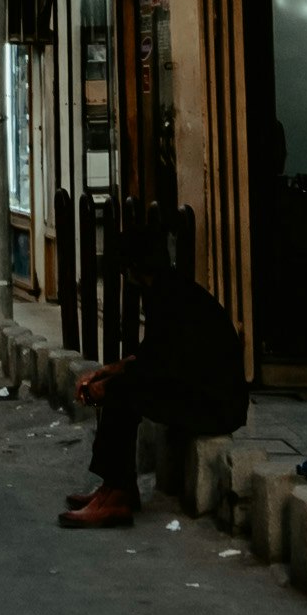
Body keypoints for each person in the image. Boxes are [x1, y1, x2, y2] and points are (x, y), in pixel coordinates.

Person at [58, 215, 247, 528]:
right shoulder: (167, 290)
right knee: (121, 388)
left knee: (123, 394)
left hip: (216, 405)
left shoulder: (170, 296)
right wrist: (105, 373)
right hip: (205, 392)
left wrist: (109, 385)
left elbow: (159, 367)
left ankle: (116, 495)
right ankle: (117, 487)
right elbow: (151, 355)